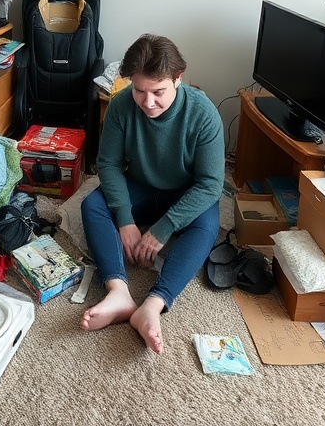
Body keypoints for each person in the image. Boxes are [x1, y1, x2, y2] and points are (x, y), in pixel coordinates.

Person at [80, 34, 224, 354]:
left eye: (158, 92)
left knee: (207, 226)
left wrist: (163, 228)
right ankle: (118, 291)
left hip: (185, 193)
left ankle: (154, 304)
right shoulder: (120, 106)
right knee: (92, 204)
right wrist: (125, 220)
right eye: (139, 90)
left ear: (178, 79)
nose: (148, 103)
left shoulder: (204, 114)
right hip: (141, 186)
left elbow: (211, 184)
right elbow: (109, 164)